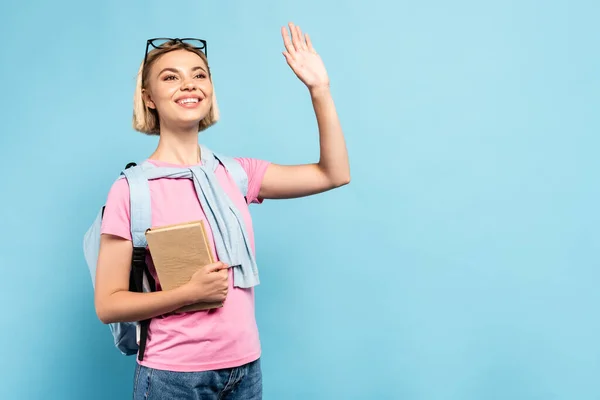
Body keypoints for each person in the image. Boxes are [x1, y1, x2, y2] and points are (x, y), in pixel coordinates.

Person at [94, 22, 350, 399]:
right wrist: (188, 293)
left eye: (199, 74)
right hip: (173, 377)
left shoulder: (237, 174)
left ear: (210, 91)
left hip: (245, 368)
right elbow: (108, 304)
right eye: (171, 77)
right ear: (149, 98)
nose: (189, 84)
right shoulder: (131, 190)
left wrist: (320, 89)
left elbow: (334, 173)